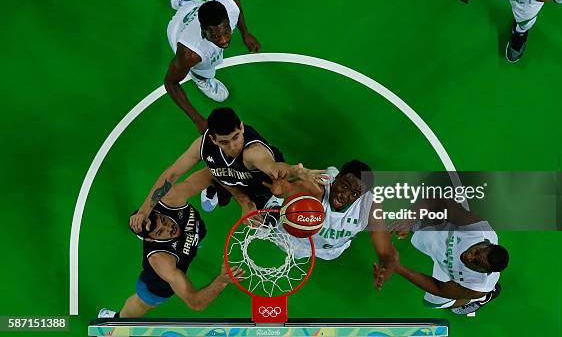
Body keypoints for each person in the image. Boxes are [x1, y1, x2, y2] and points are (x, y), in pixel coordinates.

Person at [129, 107, 323, 233]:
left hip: (260, 183)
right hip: (224, 175)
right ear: (213, 138)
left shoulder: (252, 152)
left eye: (236, 137)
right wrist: (144, 210)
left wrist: (295, 171)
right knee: (177, 191)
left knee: (263, 227)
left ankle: (237, 194)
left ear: (241, 127)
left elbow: (273, 168)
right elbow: (171, 174)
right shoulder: (203, 145)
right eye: (224, 142)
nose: (232, 146)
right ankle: (216, 188)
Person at [98, 174, 244, 318]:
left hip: (192, 240)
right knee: (143, 302)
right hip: (157, 285)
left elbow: (211, 172)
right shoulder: (160, 259)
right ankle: (117, 320)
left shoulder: (171, 199)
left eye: (164, 220)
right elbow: (195, 303)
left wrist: (242, 199)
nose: (170, 228)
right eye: (160, 232)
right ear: (150, 239)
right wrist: (221, 281)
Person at [374, 196, 509, 315]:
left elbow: (439, 288)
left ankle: (482, 299)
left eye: (476, 263)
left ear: (485, 272)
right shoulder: (477, 229)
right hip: (442, 239)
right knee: (421, 224)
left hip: (450, 274)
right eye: (476, 252)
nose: (469, 257)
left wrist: (397, 267)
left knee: (432, 302)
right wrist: (410, 220)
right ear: (486, 245)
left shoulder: (478, 285)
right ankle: (418, 225)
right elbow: (436, 200)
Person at [263, 160, 398, 273]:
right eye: (344, 186)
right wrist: (281, 191)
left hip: (328, 249)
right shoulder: (315, 188)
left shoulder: (368, 207)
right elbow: (289, 188)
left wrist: (386, 261)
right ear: (338, 178)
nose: (344, 196)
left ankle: (335, 175)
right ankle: (275, 206)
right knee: (288, 202)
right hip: (292, 238)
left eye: (355, 194)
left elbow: (384, 245)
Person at [165, 0, 261, 133]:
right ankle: (202, 78)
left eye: (226, 31)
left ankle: (189, 6)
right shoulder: (190, 54)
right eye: (216, 35)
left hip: (194, 11)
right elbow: (170, 83)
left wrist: (245, 33)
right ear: (204, 31)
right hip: (177, 29)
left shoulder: (230, 5)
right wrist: (197, 119)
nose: (224, 40)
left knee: (205, 9)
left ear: (228, 19)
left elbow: (236, 3)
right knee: (204, 65)